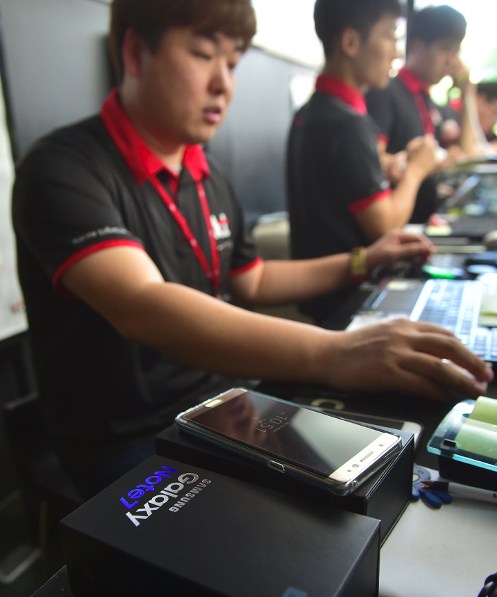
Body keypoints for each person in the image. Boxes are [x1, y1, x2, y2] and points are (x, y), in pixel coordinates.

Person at [12, 0, 492, 500]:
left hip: (227, 400)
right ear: (134, 53)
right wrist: (338, 352)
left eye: (234, 62)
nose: (224, 83)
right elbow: (142, 305)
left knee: (396, 467)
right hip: (131, 437)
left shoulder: (205, 172)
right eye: (203, 55)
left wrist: (364, 260)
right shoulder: (63, 169)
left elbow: (254, 278)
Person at [286, 0, 439, 324]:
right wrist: (416, 170)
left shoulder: (311, 112)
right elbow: (386, 225)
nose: (396, 52)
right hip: (351, 299)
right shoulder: (348, 123)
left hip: (325, 298)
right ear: (351, 42)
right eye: (389, 35)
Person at [366, 4, 485, 224]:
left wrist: (467, 93)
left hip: (423, 226)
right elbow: (370, 163)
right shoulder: (386, 92)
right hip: (396, 228)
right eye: (445, 49)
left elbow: (468, 154)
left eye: (456, 51)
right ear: (418, 46)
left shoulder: (429, 102)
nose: (452, 60)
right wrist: (418, 164)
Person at [476, 81, 497, 150]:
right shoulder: (454, 128)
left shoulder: (491, 137)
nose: (495, 120)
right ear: (480, 101)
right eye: (494, 113)